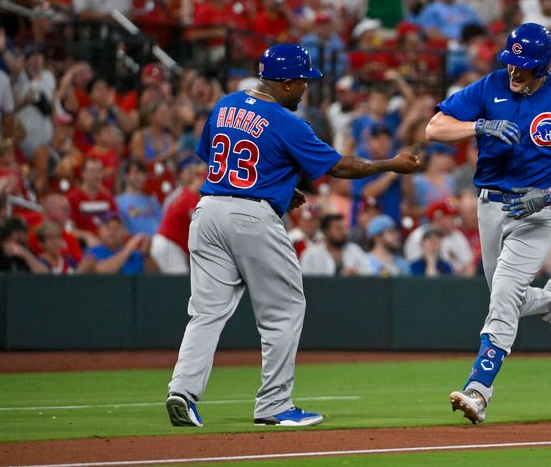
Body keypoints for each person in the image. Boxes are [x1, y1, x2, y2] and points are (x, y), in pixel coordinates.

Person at [166, 44, 421, 428]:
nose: (305, 89)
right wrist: (391, 164)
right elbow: (341, 167)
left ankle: (182, 392)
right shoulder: (286, 120)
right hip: (251, 217)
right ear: (284, 82)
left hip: (208, 212)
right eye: (302, 81)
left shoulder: (225, 104)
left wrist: (281, 186)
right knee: (284, 309)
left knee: (205, 312)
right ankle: (274, 404)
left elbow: (226, 160)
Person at [425, 23, 551, 424]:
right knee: (504, 298)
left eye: (523, 66)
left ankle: (479, 389)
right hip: (491, 205)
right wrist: (479, 126)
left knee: (503, 293)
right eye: (510, 62)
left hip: (537, 210)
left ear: (542, 66)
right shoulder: (490, 86)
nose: (514, 71)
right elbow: (434, 127)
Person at [299, 213, 373, 276]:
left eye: (344, 228)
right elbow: (306, 281)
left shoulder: (354, 249)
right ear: (326, 232)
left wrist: (355, 274)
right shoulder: (311, 253)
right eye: (338, 228)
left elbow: (369, 273)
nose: (343, 232)